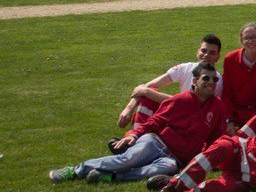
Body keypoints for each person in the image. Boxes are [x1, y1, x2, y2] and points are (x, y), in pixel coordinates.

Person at [50, 63, 226, 184]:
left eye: (214, 80)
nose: (211, 83)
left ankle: (110, 178)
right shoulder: (179, 101)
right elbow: (154, 122)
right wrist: (133, 135)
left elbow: (216, 136)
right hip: (156, 143)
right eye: (206, 79)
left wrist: (213, 160)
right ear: (195, 81)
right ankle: (75, 170)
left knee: (159, 171)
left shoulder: (217, 106)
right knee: (127, 160)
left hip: (174, 159)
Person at [116, 35, 223, 131]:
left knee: (150, 93)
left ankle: (134, 140)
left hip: (191, 122)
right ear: (197, 52)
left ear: (218, 57)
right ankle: (133, 137)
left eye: (212, 53)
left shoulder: (215, 81)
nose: (206, 55)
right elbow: (144, 87)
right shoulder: (186, 68)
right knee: (149, 95)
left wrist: (147, 91)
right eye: (203, 51)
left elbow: (190, 107)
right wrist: (129, 108)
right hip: (177, 112)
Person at [220, 23, 256, 136]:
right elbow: (227, 92)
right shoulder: (230, 59)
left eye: (254, 37)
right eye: (247, 38)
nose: (251, 41)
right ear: (242, 41)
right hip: (234, 114)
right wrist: (228, 120)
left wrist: (253, 123)